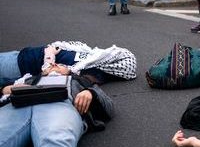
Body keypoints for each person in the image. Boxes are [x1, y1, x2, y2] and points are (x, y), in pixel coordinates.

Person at [0, 73, 114, 147]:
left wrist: (91, 93)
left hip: (59, 104)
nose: (53, 65)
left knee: (56, 138)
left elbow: (109, 107)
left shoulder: (78, 80)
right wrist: (4, 89)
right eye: (50, 65)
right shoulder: (28, 79)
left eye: (58, 64)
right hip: (18, 105)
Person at [0, 40, 137, 87]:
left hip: (21, 65)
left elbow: (53, 74)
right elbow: (61, 45)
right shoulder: (90, 54)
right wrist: (51, 51)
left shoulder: (94, 73)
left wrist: (49, 57)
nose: (112, 52)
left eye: (116, 57)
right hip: (23, 54)